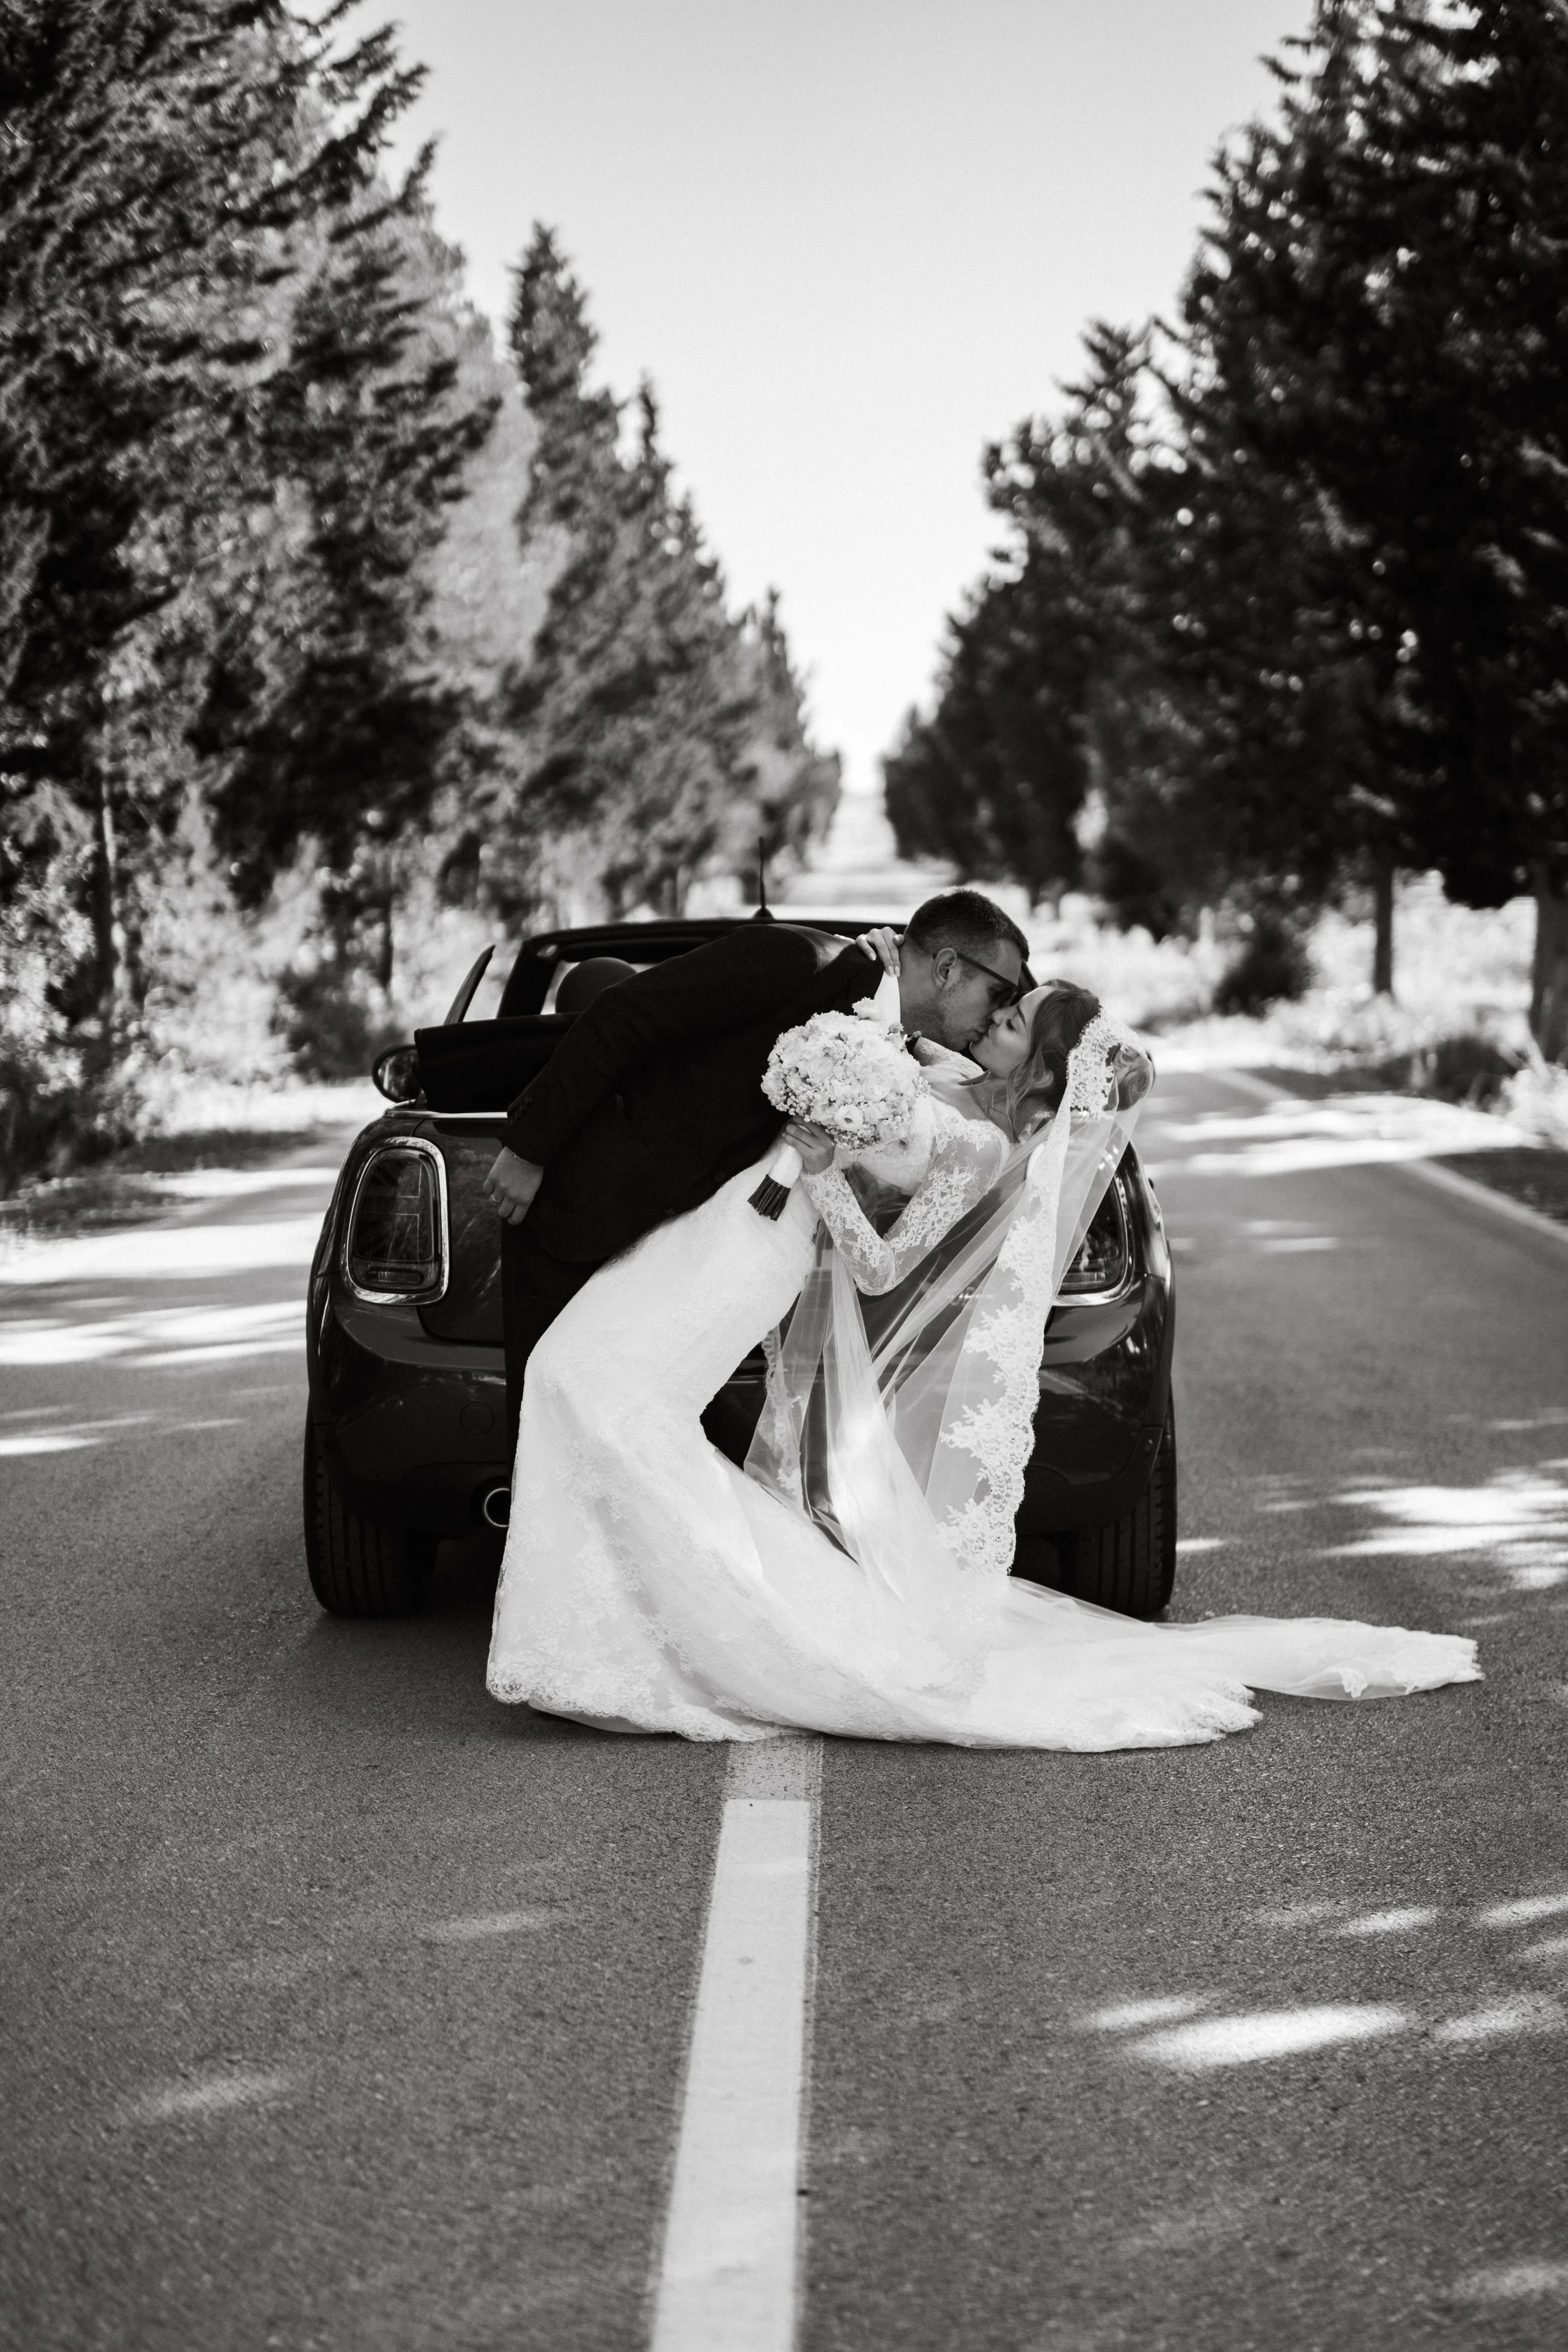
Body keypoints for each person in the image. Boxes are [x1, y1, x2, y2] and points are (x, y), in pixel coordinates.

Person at [485, 950, 1478, 1749]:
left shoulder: (980, 1146)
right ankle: (616, 1631)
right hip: (714, 1228)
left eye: (1010, 1023)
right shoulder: (943, 1080)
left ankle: (664, 1638)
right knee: (581, 1386)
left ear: (1042, 1066)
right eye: (995, 1010)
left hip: (755, 1240)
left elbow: (879, 1264)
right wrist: (822, 1124)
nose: (984, 1026)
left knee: (583, 1386)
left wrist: (819, 1156)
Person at [482, 889, 1029, 1443]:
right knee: (548, 1417)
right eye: (1000, 992)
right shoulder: (791, 959)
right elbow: (624, 1015)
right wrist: (531, 1147)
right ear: (947, 967)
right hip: (584, 1199)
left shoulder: (904, 1046)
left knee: (635, 1425)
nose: (1001, 1012)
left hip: (689, 1247)